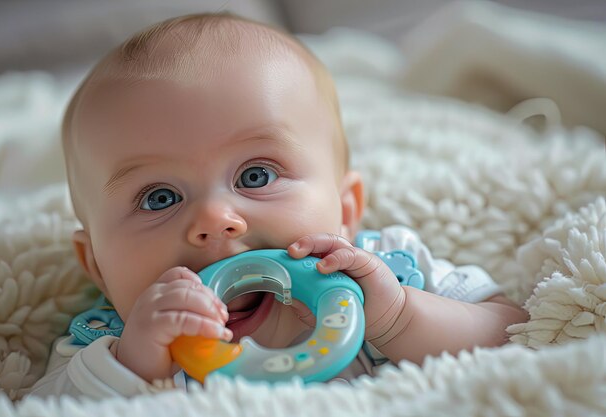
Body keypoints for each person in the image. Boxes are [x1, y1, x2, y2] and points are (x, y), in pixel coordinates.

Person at [30, 13, 527, 398]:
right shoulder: (109, 348)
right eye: (159, 198)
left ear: (346, 209)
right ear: (96, 264)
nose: (214, 219)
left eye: (256, 176)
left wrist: (399, 320)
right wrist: (136, 367)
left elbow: (515, 334)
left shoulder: (386, 276)